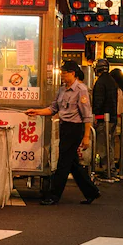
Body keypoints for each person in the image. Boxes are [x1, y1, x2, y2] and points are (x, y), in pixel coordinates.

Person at [31, 60, 99, 206]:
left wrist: (86, 136)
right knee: (72, 163)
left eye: (64, 72)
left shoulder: (81, 90)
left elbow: (87, 115)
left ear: (72, 73)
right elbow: (53, 108)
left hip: (74, 128)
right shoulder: (62, 89)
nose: (62, 75)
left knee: (63, 162)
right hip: (64, 127)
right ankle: (91, 191)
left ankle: (54, 195)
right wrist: (37, 112)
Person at [89, 65, 118, 175]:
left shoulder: (100, 82)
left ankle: (107, 169)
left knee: (103, 144)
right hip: (113, 117)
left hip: (103, 118)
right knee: (110, 144)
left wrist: (96, 115)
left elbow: (98, 101)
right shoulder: (112, 81)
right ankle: (111, 168)